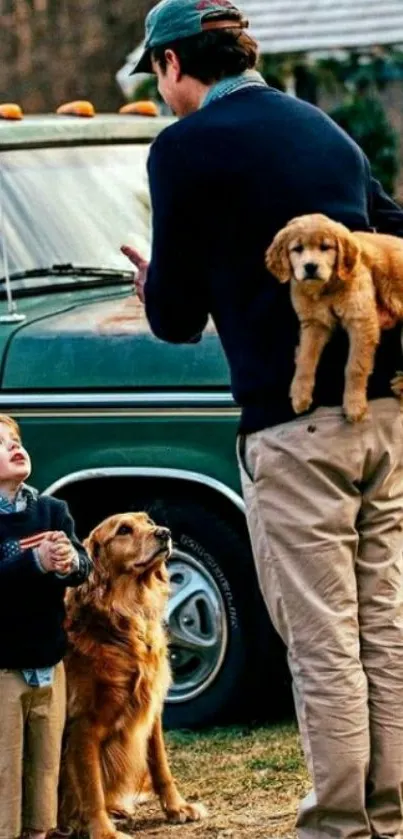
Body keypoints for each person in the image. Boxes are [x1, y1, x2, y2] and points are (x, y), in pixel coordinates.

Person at [121, 2, 403, 838]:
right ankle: (388, 815)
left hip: (293, 430)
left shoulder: (184, 146)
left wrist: (151, 289)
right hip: (383, 414)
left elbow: (173, 315)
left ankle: (339, 827)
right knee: (382, 626)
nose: (162, 91)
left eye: (158, 76)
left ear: (175, 64)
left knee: (319, 639)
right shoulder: (323, 130)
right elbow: (392, 230)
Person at [0, 414, 92, 839]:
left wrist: (70, 563)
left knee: (45, 760)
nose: (15, 447)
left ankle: (39, 831)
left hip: (49, 662)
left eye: (16, 439)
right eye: (1, 445)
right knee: (5, 764)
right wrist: (32, 562)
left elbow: (83, 568)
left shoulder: (53, 510)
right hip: (4, 668)